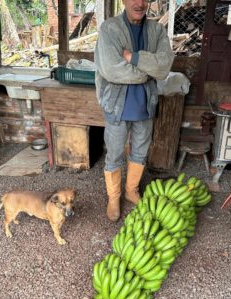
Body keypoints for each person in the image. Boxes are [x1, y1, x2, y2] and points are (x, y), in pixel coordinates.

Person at [94, 0, 174, 221]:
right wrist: (147, 73)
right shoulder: (110, 29)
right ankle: (114, 197)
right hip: (116, 105)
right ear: (124, 1)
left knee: (140, 151)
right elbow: (111, 70)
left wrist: (133, 57)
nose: (139, 3)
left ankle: (131, 191)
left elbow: (164, 65)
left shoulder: (157, 30)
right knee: (115, 154)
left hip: (145, 104)